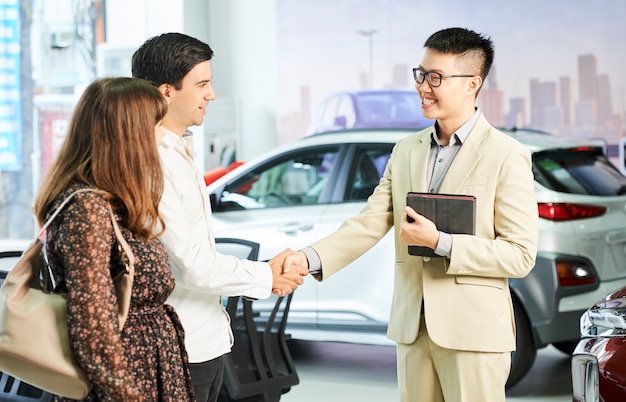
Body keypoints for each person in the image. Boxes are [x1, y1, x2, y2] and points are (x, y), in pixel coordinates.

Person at [285, 27, 539, 402]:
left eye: (436, 77)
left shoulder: (506, 155)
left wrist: (441, 243)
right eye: (420, 74)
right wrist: (306, 259)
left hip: (474, 333)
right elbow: (369, 221)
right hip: (412, 328)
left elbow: (519, 255)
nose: (423, 86)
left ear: (472, 83)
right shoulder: (406, 149)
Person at [131, 32, 308, 402]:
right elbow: (191, 266)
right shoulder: (153, 161)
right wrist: (267, 276)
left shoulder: (179, 147)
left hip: (204, 342)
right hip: (179, 351)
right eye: (202, 84)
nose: (211, 94)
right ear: (167, 90)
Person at [33, 77, 195, 401]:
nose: (163, 136)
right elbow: (93, 330)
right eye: (158, 125)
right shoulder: (86, 209)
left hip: (146, 371)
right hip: (125, 384)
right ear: (128, 137)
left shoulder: (113, 200)